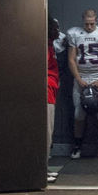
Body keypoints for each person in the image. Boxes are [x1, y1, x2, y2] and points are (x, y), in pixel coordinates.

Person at [66, 9, 98, 159]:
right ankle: (77, 146)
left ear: (96, 20)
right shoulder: (75, 34)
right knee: (79, 113)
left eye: (92, 23)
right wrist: (79, 79)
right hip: (81, 76)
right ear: (83, 21)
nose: (89, 26)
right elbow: (71, 59)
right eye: (86, 24)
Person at [46, 18, 62, 183]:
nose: (58, 30)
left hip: (51, 89)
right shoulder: (44, 45)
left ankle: (43, 167)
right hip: (46, 91)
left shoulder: (50, 44)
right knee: (46, 133)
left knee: (48, 133)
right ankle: (40, 170)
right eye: (56, 27)